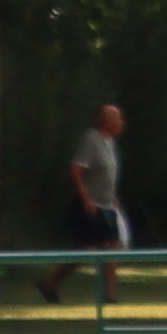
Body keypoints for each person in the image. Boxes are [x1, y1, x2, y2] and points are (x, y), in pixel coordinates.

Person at [40, 100, 130, 303]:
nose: (121, 122)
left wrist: (114, 198)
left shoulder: (110, 143)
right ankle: (49, 283)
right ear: (105, 121)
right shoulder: (91, 140)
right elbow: (76, 172)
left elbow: (106, 175)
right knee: (85, 250)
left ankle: (110, 296)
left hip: (107, 205)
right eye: (117, 118)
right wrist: (86, 200)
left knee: (111, 248)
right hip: (90, 206)